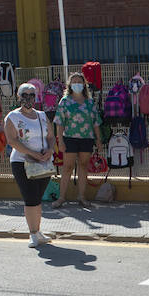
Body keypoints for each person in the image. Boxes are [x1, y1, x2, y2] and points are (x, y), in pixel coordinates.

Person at [6, 82, 55, 247]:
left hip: (42, 162)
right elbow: (12, 140)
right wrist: (32, 153)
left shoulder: (42, 115)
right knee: (30, 198)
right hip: (22, 162)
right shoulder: (13, 117)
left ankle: (38, 230)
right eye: (24, 95)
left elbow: (50, 136)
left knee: (38, 198)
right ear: (19, 96)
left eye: (31, 95)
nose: (28, 98)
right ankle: (32, 233)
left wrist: (50, 150)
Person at [53, 69, 102, 209]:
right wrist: (60, 141)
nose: (77, 84)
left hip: (87, 139)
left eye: (79, 82)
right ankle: (61, 197)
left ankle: (82, 196)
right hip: (69, 138)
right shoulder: (65, 101)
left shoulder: (90, 102)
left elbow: (96, 123)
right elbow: (59, 122)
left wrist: (98, 139)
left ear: (84, 84)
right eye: (74, 82)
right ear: (69, 85)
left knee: (83, 166)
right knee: (67, 167)